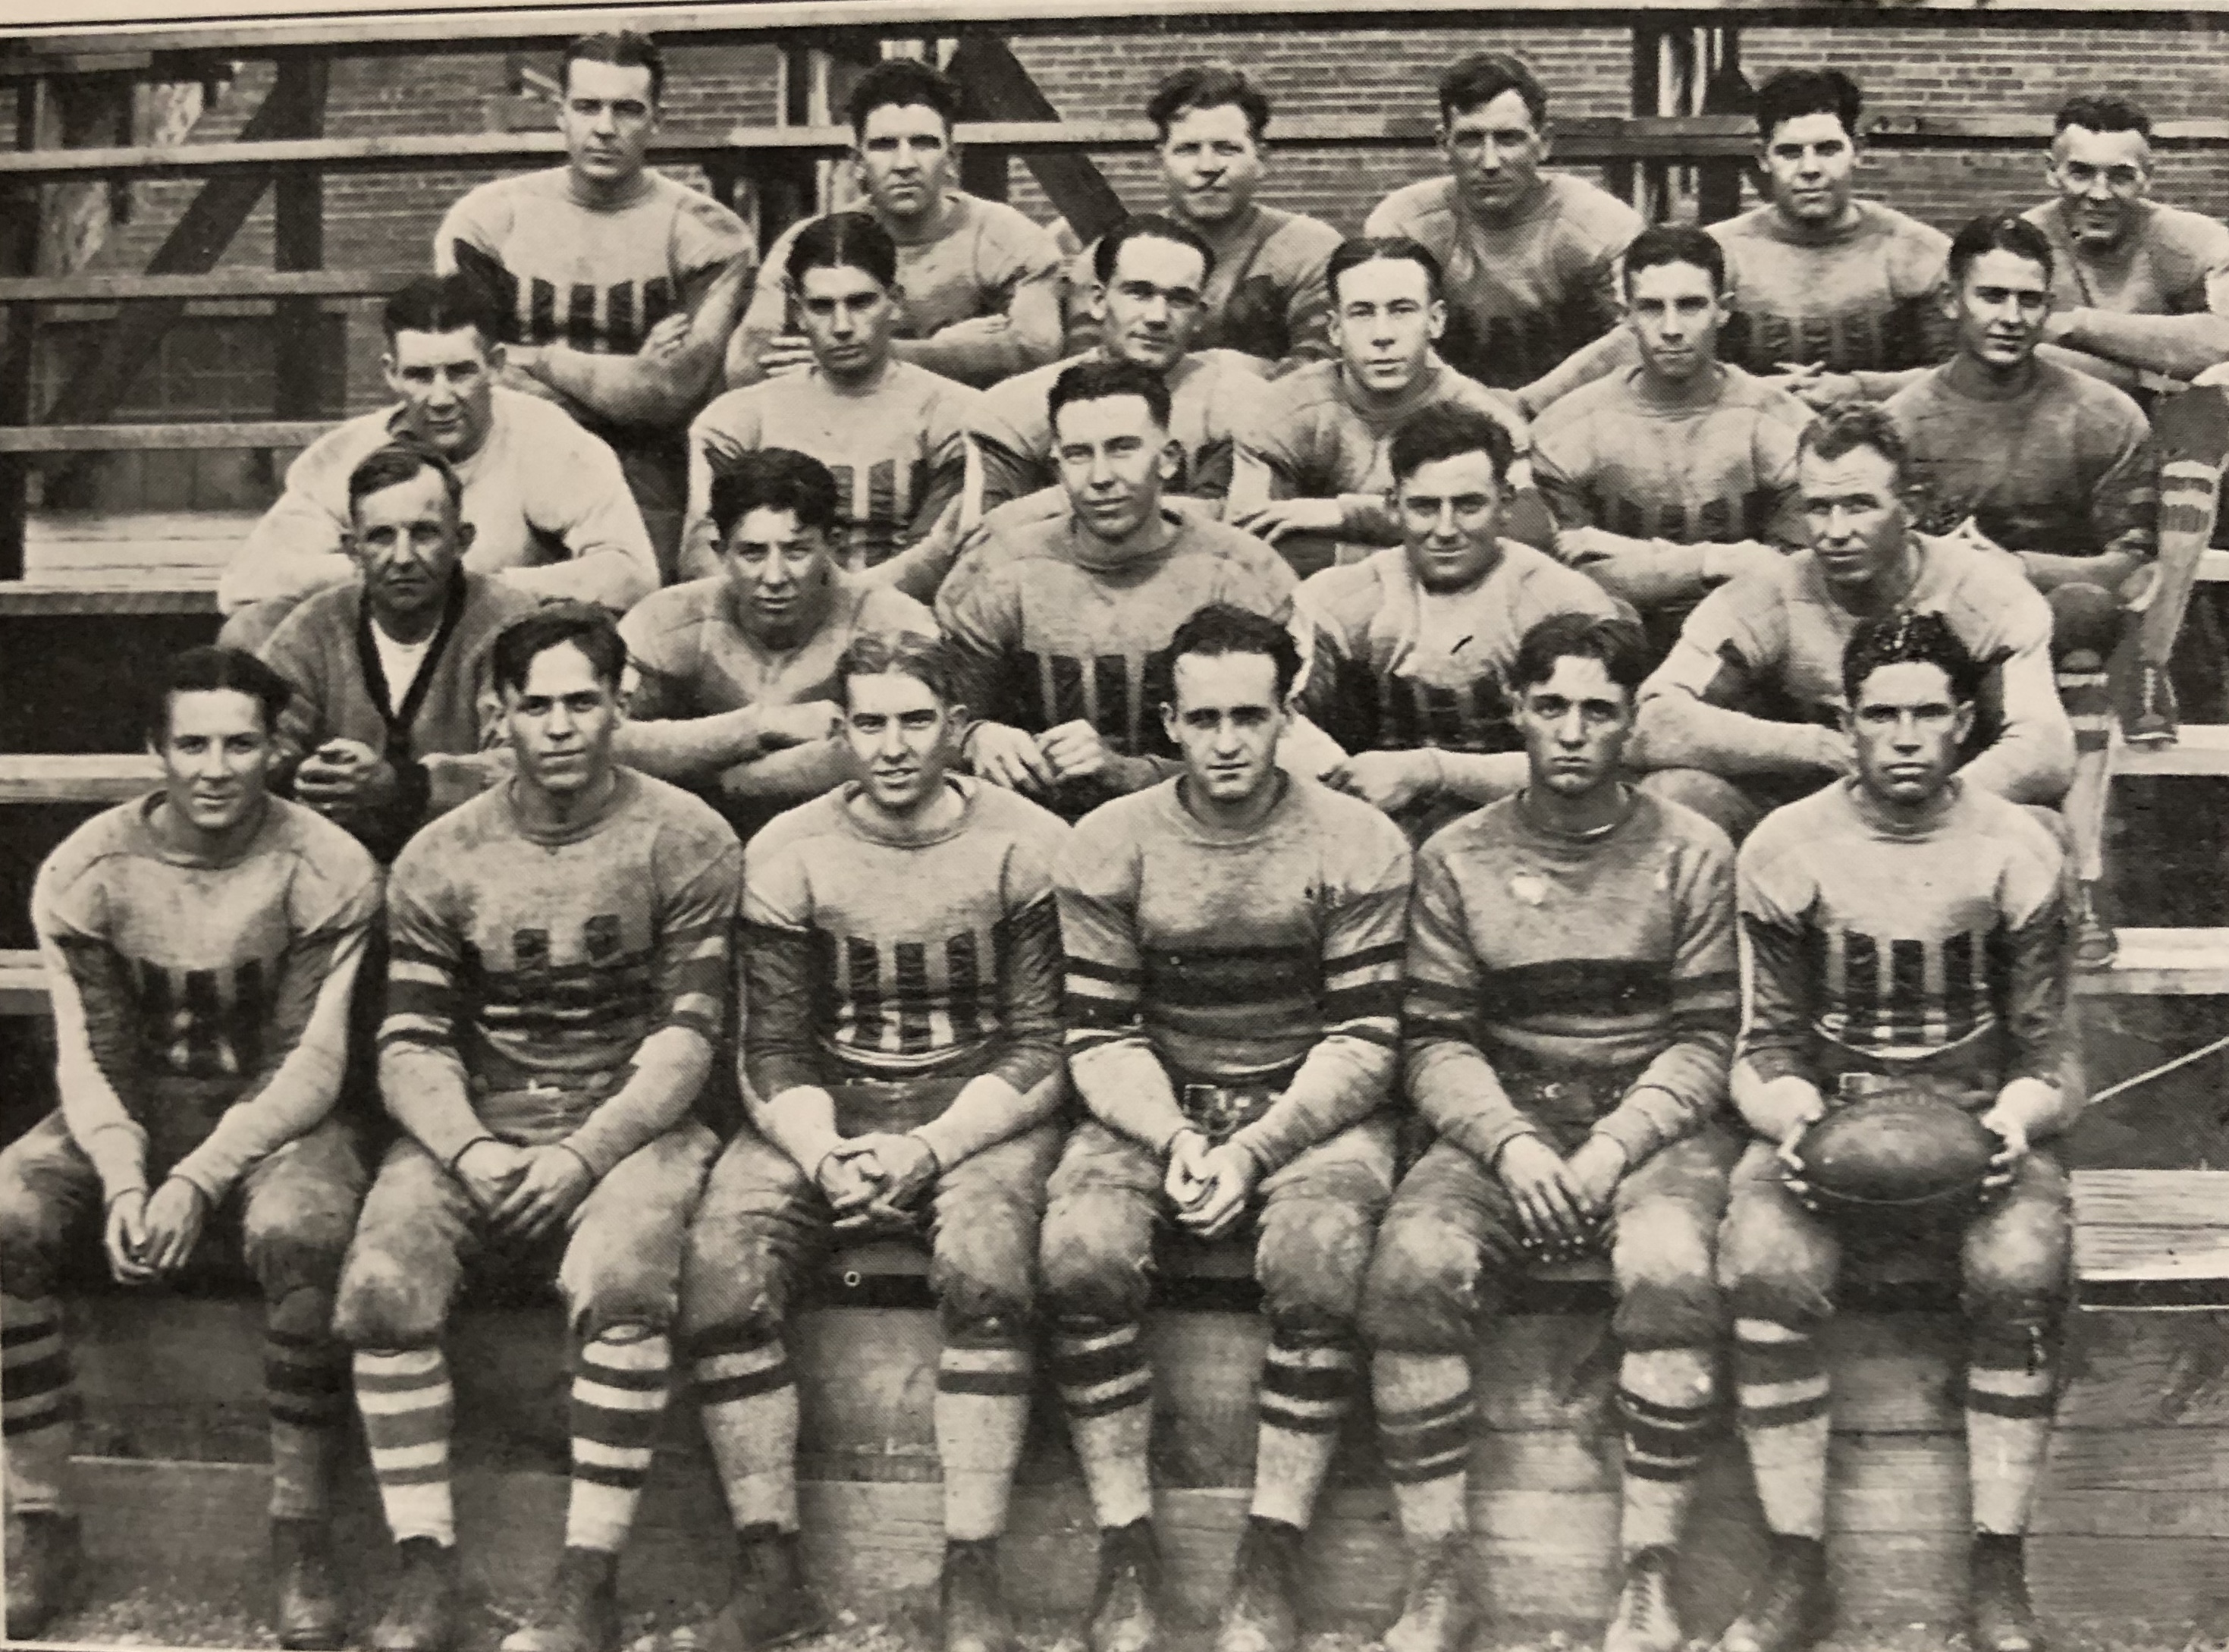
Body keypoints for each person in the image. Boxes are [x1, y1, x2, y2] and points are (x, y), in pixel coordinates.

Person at [334, 606, 738, 1652]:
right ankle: (424, 1568)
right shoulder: (440, 853)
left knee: (625, 1281)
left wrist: (583, 1152)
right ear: (496, 714)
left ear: (620, 705)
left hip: (631, 1124)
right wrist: (469, 1147)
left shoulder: (687, 836)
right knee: (380, 1280)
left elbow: (687, 1038)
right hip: (482, 1120)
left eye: (581, 702)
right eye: (536, 705)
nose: (559, 727)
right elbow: (409, 1041)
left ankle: (586, 1581)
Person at [677, 630, 1069, 1652]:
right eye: (868, 724)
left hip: (974, 1103)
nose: (891, 747)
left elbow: (1043, 1044)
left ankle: (969, 1572)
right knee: (720, 1266)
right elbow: (768, 1044)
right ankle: (769, 1569)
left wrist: (932, 1145)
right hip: (833, 1104)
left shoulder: (1026, 841)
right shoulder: (789, 848)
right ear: (840, 731)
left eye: (914, 722)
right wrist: (821, 1152)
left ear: (954, 726)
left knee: (988, 1262)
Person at [1358, 612, 1739, 1652]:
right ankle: (1437, 1573)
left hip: (1647, 1125)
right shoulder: (1456, 855)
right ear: (1515, 712)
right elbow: (1433, 1041)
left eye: (1598, 710)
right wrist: (1512, 1143)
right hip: (1507, 1117)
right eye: (1551, 706)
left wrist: (1613, 1145)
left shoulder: (1691, 850)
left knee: (1669, 1262)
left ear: (1631, 722)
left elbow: (1706, 1040)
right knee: (1411, 1264)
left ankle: (1647, 1573)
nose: (1572, 731)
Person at [1043, 601, 1411, 1652]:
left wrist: (1254, 1147)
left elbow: (1362, 1040)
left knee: (1317, 1255)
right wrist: (1174, 1138)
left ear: (1286, 715)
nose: (1226, 742)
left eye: (1250, 716)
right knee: (1078, 1250)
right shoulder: (1108, 842)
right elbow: (1100, 1035)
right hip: (1160, 1102)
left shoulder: (1358, 840)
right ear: (1167, 723)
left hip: (1304, 1107)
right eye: (1202, 719)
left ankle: (1271, 1548)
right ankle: (1125, 1544)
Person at [0, 647, 381, 1646]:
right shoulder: (85, 868)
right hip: (137, 1107)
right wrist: (127, 1179)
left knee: (302, 1228)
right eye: (193, 744)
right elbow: (92, 1052)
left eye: (241, 744)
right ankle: (39, 1515)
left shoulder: (329, 864)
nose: (216, 769)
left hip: (279, 1115)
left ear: (274, 750)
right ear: (155, 750)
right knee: (8, 1207)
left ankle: (301, 1528)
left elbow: (308, 1062)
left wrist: (199, 1179)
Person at [1716, 611, 2076, 1652]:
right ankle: (1794, 1561)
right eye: (1881, 715)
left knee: (2021, 1263)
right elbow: (1761, 1044)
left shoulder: (2017, 845)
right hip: (1830, 1117)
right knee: (1762, 1258)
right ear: (1846, 722)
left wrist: (2013, 1120)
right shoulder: (1784, 846)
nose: (1905, 736)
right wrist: (1790, 1119)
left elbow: (2052, 1055)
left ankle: (1996, 1565)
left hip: (1973, 1120)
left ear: (1964, 721)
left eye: (1927, 713)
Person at [1632, 403, 2074, 845]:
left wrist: (1925, 809)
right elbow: (1655, 721)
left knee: (2041, 829)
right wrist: (1815, 747)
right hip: (1799, 825)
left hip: (1944, 819)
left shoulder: (1986, 594)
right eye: (1819, 508)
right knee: (1678, 792)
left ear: (1911, 507)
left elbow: (2045, 748)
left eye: (1859, 506)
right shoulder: (1762, 597)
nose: (1836, 532)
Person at [438, 30, 758, 579]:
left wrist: (535, 358)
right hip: (512, 459)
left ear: (656, 119)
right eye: (587, 107)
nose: (605, 128)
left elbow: (668, 394)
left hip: (645, 475)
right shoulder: (489, 221)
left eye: (627, 109)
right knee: (483, 588)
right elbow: (474, 377)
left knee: (635, 593)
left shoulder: (708, 234)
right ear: (559, 113)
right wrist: (626, 375)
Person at [937, 358, 1305, 822]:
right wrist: (975, 736)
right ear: (1057, 467)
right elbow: (932, 726)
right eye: (1079, 454)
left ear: (1168, 459)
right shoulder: (1000, 568)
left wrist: (1129, 774)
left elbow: (1289, 753)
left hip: (1211, 825)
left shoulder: (1243, 573)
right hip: (1042, 827)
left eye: (1122, 449)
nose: (1100, 477)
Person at [218, 275, 657, 652]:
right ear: (391, 373)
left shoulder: (548, 439)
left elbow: (632, 574)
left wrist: (481, 584)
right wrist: (387, 574)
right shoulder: (343, 455)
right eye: (420, 376)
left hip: (497, 641)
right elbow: (248, 581)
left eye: (460, 372)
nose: (441, 398)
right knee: (250, 631)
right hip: (375, 642)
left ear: (495, 365)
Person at [1518, 70, 1953, 419]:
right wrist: (1525, 404)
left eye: (1827, 149)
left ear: (1857, 150)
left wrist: (1861, 388)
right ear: (1763, 156)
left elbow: (1968, 372)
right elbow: (1632, 347)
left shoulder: (1915, 251)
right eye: (1790, 152)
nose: (1810, 169)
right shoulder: (1720, 251)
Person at [1883, 213, 2167, 741]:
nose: (2011, 317)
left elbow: (2136, 566)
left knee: (2082, 610)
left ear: (2048, 308)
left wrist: (2020, 568)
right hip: (1937, 640)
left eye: (2029, 300)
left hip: (2068, 635)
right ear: (1950, 300)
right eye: (1992, 297)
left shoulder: (2105, 416)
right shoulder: (1900, 425)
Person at [1296, 403, 1620, 840]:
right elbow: (1278, 728)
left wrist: (1433, 770)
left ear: (1505, 504)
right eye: (1425, 507)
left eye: (1468, 506)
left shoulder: (1561, 602)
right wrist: (1341, 780)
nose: (1446, 529)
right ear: (1393, 506)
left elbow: (1603, 761)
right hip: (1372, 823)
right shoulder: (1338, 599)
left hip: (1527, 825)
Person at [619, 448, 934, 844]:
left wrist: (716, 777)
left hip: (846, 841)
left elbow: (913, 752)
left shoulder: (892, 622)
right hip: (688, 837)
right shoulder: (665, 621)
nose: (774, 577)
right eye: (752, 553)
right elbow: (604, 741)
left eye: (796, 551)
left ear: (833, 545)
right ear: (720, 551)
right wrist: (762, 725)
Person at [1530, 224, 1810, 661]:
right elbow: (1571, 584)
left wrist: (1632, 553)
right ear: (1626, 315)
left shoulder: (1783, 425)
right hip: (1611, 651)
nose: (1672, 328)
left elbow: (1788, 577)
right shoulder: (1568, 428)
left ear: (1724, 310)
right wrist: (1718, 560)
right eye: (1651, 308)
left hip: (1748, 647)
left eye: (1691, 305)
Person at [259, 444, 538, 864]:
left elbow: (530, 761)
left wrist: (402, 786)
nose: (403, 557)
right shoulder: (313, 628)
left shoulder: (512, 622)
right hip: (337, 864)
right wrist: (305, 776)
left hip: (478, 859)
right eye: (381, 536)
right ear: (353, 549)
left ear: (462, 540)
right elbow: (254, 736)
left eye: (424, 533)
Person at [680, 212, 983, 597]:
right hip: (766, 613)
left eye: (861, 302)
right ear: (797, 311)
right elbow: (703, 556)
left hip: (904, 619)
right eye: (822, 306)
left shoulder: (954, 413)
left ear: (895, 301)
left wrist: (836, 607)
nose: (842, 326)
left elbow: (943, 551)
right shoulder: (738, 419)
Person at [726, 58, 1063, 391]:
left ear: (951, 157)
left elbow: (1036, 349)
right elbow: (746, 368)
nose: (905, 164)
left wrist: (848, 354)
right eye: (884, 145)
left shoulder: (1005, 236)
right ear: (858, 161)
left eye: (923, 144)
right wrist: (945, 351)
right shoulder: (812, 242)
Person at [1228, 237, 1549, 578]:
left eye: (1402, 310)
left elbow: (1528, 535)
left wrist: (1348, 515)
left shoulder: (1484, 417)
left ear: (1436, 321)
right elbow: (1247, 539)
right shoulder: (1285, 409)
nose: (1382, 335)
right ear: (1335, 329)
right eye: (1362, 313)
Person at [1364, 52, 1640, 394]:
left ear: (1544, 143)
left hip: (1574, 405)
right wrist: (1477, 404)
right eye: (1470, 139)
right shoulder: (1405, 224)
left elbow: (1634, 337)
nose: (1490, 162)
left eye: (1509, 138)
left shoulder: (1598, 224)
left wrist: (1530, 403)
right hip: (1441, 406)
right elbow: (1382, 335)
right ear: (1443, 144)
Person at [972, 214, 1273, 520]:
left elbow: (1239, 522)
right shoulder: (1018, 407)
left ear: (1199, 315)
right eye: (1139, 293)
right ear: (1099, 301)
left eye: (1180, 300)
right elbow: (989, 530)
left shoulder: (1237, 401)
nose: (1157, 317)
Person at [1055, 67, 1342, 375]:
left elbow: (1314, 373)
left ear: (1261, 160)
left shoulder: (1310, 251)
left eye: (1227, 149)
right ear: (1160, 162)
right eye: (1188, 149)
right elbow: (1086, 372)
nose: (1208, 166)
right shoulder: (1109, 257)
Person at [2025, 93, 2229, 389]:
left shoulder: (2197, 239)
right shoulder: (2021, 242)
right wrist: (2149, 375)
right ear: (2052, 171)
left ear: (2148, 177)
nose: (2100, 194)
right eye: (2081, 173)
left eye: (2121, 176)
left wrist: (2076, 326)